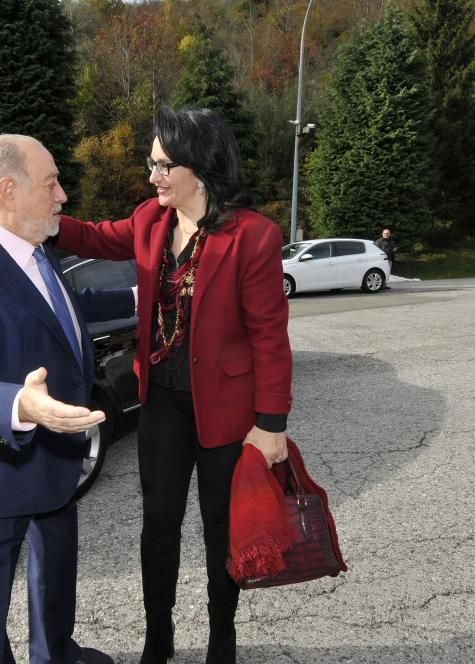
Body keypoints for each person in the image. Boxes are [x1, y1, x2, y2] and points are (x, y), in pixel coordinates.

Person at [53, 107, 293, 664]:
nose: (153, 175)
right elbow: (92, 236)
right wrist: (36, 214)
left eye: (164, 164)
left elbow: (269, 338)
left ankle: (221, 641)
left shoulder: (253, 236)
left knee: (220, 533)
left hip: (228, 413)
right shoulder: (149, 220)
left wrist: (271, 424)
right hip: (159, 402)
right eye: (151, 162)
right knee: (158, 525)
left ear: (201, 168)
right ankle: (157, 638)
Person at [0, 134, 134, 664]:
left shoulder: (40, 253)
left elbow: (70, 307)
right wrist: (20, 404)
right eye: (52, 183)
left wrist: (147, 294)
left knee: (56, 582)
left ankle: (56, 655)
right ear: (9, 190)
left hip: (55, 465)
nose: (62, 195)